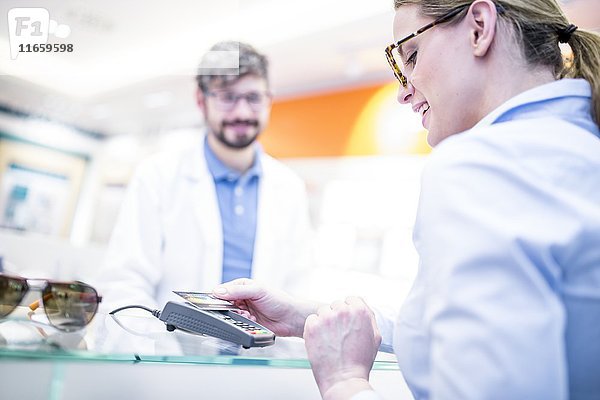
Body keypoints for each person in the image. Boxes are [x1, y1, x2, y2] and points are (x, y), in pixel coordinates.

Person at [213, 1, 600, 399]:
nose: (403, 92)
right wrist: (304, 316)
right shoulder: (576, 146)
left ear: (479, 27)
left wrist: (344, 380)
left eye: (411, 56)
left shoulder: (482, 166)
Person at [97, 41, 313, 309]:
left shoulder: (289, 186)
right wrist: (153, 347)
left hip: (262, 349)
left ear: (269, 100)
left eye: (253, 98)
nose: (242, 112)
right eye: (227, 97)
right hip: (168, 347)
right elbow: (126, 283)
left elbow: (298, 285)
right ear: (201, 100)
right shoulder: (158, 176)